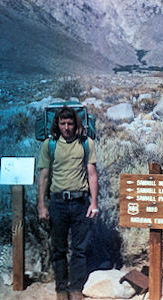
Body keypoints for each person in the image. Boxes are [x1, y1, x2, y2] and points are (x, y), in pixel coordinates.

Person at [38, 106, 99, 300]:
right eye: (62, 123)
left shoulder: (86, 143)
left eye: (70, 123)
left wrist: (94, 202)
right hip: (58, 203)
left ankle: (76, 288)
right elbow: (44, 176)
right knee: (59, 249)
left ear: (76, 124)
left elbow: (92, 174)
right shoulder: (50, 145)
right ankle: (61, 289)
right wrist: (41, 205)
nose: (66, 127)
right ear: (57, 124)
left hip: (80, 201)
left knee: (79, 249)